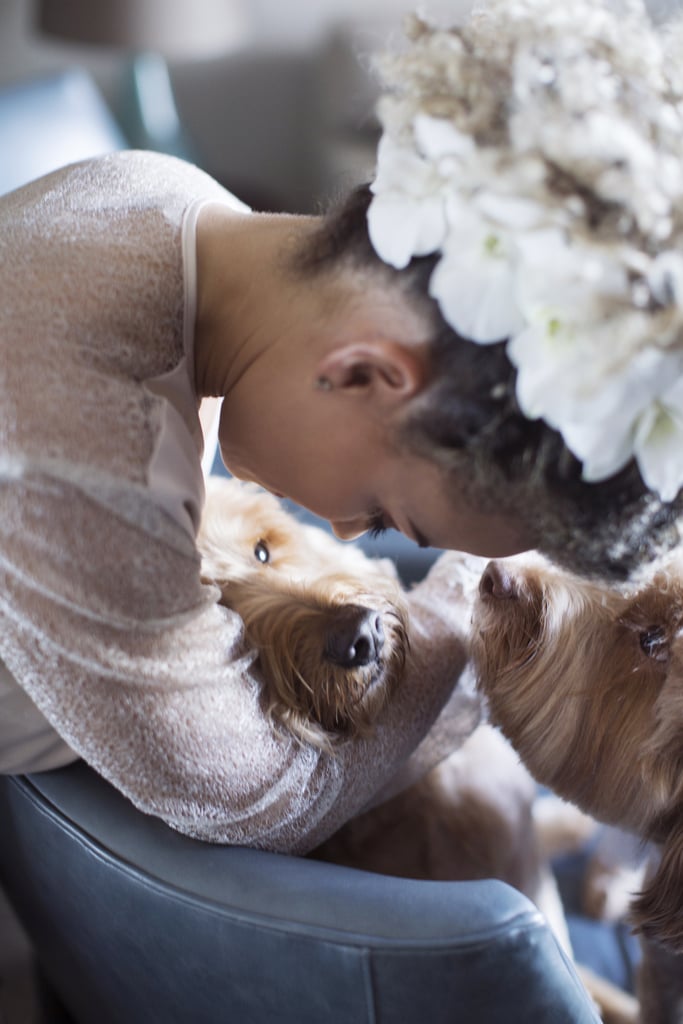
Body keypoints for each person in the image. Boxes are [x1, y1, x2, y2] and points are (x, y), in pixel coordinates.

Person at [1, 0, 682, 849]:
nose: (346, 528)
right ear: (363, 372)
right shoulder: (78, 448)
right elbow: (256, 799)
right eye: (393, 515)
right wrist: (460, 630)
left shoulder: (162, 197)